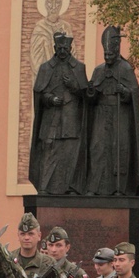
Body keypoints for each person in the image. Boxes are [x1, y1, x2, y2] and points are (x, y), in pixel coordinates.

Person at [85, 26, 139, 196]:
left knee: (119, 148)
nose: (108, 57)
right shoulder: (98, 70)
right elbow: (91, 97)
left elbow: (135, 92)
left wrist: (125, 91)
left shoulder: (125, 69)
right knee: (97, 147)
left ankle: (119, 188)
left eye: (111, 54)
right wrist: (91, 91)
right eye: (106, 55)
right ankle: (94, 187)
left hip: (120, 114)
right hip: (101, 114)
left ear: (117, 49)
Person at [29, 32, 89, 195]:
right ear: (55, 48)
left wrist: (73, 86)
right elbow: (39, 93)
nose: (63, 50)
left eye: (66, 48)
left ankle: (71, 188)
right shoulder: (46, 68)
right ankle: (45, 187)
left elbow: (86, 95)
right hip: (52, 120)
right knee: (49, 152)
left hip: (71, 121)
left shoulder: (79, 67)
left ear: (70, 49)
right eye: (60, 47)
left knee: (70, 155)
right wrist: (50, 99)